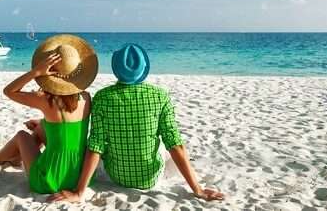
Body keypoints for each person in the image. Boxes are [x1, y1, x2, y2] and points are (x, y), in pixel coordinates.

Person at [50, 43, 224, 203]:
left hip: (116, 176)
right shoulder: (159, 96)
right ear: (144, 69)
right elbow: (175, 145)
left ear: (116, 70)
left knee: (104, 144)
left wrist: (80, 192)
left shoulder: (102, 97)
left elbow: (95, 146)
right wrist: (198, 190)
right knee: (169, 145)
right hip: (151, 179)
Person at [0, 34, 99, 195]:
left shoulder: (46, 99)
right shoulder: (86, 97)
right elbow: (67, 127)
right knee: (41, 126)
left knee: (22, 136)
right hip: (80, 177)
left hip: (48, 180)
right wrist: (42, 123)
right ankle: (17, 158)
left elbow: (9, 91)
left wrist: (35, 72)